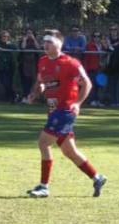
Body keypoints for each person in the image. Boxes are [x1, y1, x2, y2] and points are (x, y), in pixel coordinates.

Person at [24, 30, 106, 199]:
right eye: (44, 41)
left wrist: (78, 103)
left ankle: (44, 187)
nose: (46, 45)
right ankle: (97, 178)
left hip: (65, 111)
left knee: (43, 143)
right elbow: (41, 82)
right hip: (53, 110)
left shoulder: (71, 63)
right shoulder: (43, 61)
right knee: (70, 151)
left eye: (50, 42)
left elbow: (87, 84)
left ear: (59, 44)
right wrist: (35, 92)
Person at [0, 30, 18, 103]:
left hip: (9, 67)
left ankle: (12, 97)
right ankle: (13, 96)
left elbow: (15, 48)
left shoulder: (10, 44)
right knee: (4, 82)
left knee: (8, 83)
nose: (4, 38)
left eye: (6, 36)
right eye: (3, 36)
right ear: (0, 37)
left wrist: (8, 45)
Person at [19, 29, 40, 98]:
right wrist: (25, 39)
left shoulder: (35, 41)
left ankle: (33, 96)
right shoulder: (23, 40)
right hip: (25, 63)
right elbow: (23, 47)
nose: (29, 34)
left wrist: (34, 39)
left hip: (33, 63)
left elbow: (38, 48)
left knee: (33, 80)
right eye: (28, 33)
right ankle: (26, 95)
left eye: (30, 33)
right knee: (26, 79)